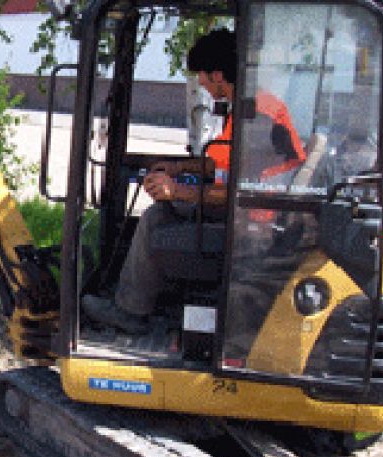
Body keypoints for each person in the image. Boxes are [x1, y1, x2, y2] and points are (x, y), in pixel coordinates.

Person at [82, 29, 305, 334]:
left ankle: (130, 311)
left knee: (156, 218)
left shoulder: (256, 118)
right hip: (255, 218)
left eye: (201, 75)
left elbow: (238, 195)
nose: (199, 82)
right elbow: (224, 162)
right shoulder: (252, 105)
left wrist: (177, 190)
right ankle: (140, 298)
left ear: (216, 75)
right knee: (166, 209)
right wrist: (178, 168)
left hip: (253, 234)